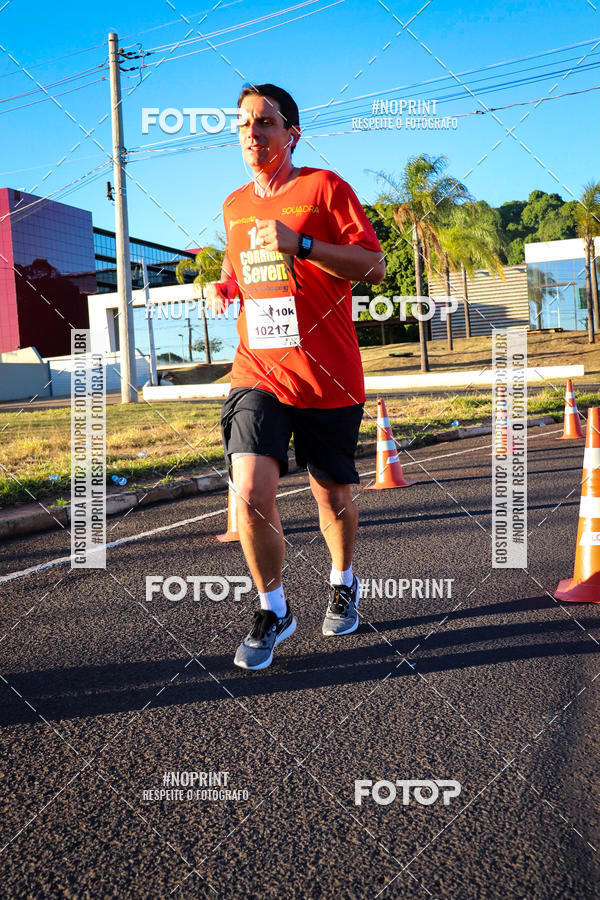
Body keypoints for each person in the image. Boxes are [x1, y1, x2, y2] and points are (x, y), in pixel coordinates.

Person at [206, 83, 385, 671]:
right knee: (251, 490)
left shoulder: (324, 188)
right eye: (242, 124)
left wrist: (302, 243)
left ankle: (342, 580)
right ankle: (273, 607)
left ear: (291, 134)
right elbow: (241, 272)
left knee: (331, 491)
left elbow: (374, 267)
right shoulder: (233, 205)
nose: (251, 133)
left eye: (264, 122)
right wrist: (224, 288)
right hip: (258, 370)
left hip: (327, 373)